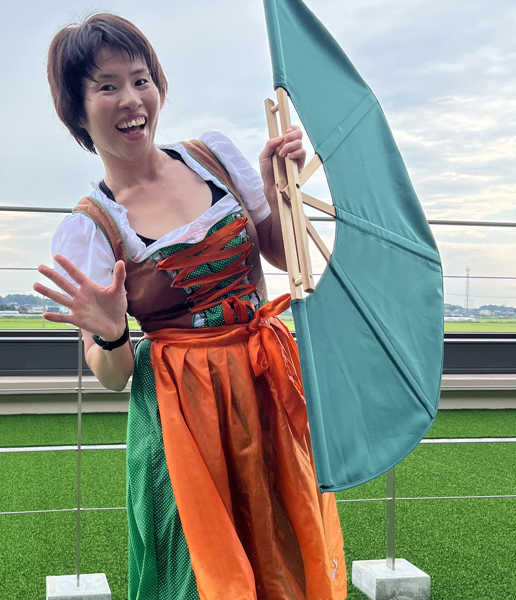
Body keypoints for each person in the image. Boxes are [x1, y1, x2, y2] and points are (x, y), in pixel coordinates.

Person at [35, 13, 346, 600]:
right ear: (77, 111)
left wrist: (276, 190)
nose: (132, 99)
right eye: (107, 86)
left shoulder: (214, 157)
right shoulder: (90, 227)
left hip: (266, 382)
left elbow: (281, 253)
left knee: (284, 542)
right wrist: (110, 333)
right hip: (182, 411)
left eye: (141, 79)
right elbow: (113, 376)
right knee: (198, 566)